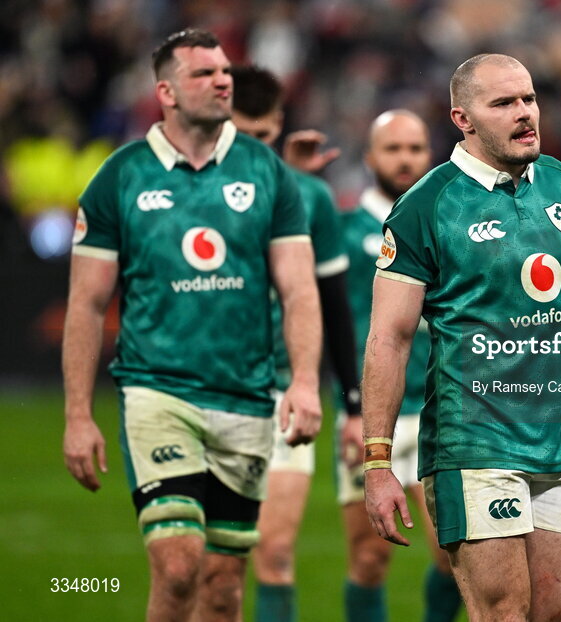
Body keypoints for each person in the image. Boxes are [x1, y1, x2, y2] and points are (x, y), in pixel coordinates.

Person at [361, 53, 561, 621]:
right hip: (470, 447)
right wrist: (377, 462)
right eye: (503, 103)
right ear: (463, 119)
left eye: (528, 98)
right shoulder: (425, 207)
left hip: (556, 447)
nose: (525, 113)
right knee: (503, 614)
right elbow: (389, 339)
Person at [61, 29, 322, 622]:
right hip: (158, 393)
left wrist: (303, 382)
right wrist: (78, 415)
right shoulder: (119, 177)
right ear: (166, 92)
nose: (222, 80)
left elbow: (299, 288)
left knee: (224, 588)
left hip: (247, 398)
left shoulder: (269, 174)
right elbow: (85, 304)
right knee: (179, 568)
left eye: (224, 71)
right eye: (203, 74)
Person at [228, 65, 362, 622]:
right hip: (216, 394)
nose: (255, 150)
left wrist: (351, 406)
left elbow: (333, 308)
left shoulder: (310, 198)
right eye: (243, 136)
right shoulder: (192, 189)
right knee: (213, 570)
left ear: (279, 125)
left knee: (276, 552)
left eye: (263, 137)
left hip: (286, 394)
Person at [335, 109, 461, 622]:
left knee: (453, 556)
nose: (405, 158)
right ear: (369, 158)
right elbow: (332, 330)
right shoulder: (343, 234)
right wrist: (347, 406)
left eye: (414, 148)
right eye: (393, 149)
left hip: (441, 412)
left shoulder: (453, 221)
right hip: (372, 414)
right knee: (369, 558)